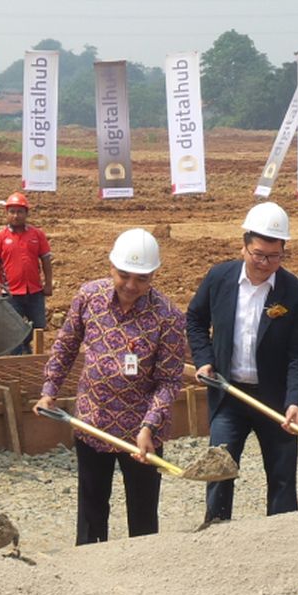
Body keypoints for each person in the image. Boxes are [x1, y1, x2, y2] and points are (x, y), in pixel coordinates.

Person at [34, 229, 186, 544]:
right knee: (91, 508)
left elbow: (169, 381)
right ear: (111, 267)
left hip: (141, 433)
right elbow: (65, 347)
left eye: (142, 278)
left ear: (154, 275)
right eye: (124, 275)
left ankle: (142, 566)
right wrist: (49, 389)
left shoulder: (168, 317)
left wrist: (148, 427)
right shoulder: (89, 297)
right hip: (93, 422)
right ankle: (90, 568)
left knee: (143, 512)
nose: (131, 286)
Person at [186, 202, 298, 523]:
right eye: (258, 254)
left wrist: (295, 401)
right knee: (220, 469)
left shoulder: (296, 294)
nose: (265, 263)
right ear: (244, 246)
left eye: (274, 257)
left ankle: (281, 534)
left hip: (275, 399)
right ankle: (216, 529)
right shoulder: (219, 278)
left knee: (282, 476)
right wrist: (204, 360)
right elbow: (195, 319)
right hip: (228, 395)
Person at [0, 192, 52, 355]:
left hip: (34, 291)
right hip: (10, 293)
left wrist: (48, 284)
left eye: (20, 212)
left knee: (39, 325)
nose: (16, 216)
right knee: (12, 328)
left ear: (26, 214)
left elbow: (45, 260)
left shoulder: (37, 235)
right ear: (6, 214)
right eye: (12, 212)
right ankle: (17, 362)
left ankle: (24, 346)